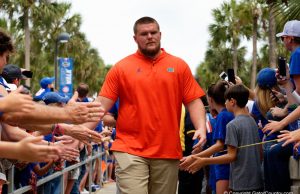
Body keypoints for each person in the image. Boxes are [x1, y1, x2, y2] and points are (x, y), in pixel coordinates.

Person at [86, 16, 207, 194]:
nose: (150, 36)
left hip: (167, 151)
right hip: (129, 150)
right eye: (144, 33)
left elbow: (193, 100)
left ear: (160, 34)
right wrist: (78, 134)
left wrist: (201, 127)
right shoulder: (121, 68)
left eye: (153, 32)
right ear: (135, 38)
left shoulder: (179, 66)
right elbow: (101, 105)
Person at [181, 84, 263, 192]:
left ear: (232, 101)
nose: (225, 103)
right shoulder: (253, 121)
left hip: (240, 182)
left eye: (226, 101)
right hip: (256, 180)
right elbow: (260, 152)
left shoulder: (232, 125)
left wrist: (203, 160)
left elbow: (231, 156)